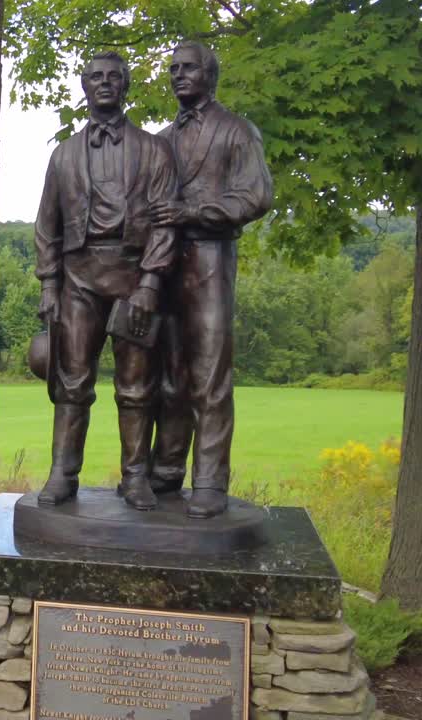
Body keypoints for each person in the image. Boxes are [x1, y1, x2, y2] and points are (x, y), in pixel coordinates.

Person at [33, 51, 179, 511]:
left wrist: (151, 284)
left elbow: (165, 224)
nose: (104, 84)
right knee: (72, 381)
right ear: (84, 86)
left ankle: (135, 477)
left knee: (136, 386)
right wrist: (49, 286)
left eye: (114, 77)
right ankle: (63, 474)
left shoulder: (154, 150)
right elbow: (46, 227)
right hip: (79, 278)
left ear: (126, 85)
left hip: (133, 276)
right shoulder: (63, 155)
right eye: (95, 77)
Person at [148, 41, 274, 518]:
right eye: (173, 68)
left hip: (210, 259)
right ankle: (165, 470)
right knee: (170, 374)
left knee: (210, 375)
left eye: (188, 68)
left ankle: (210, 481)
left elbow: (256, 195)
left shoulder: (237, 131)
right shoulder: (159, 139)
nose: (178, 75)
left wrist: (195, 211)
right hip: (163, 266)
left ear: (210, 75)